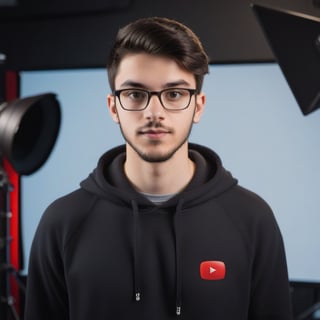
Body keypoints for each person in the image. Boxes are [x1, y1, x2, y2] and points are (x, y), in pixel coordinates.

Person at [24, 17, 293, 320]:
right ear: (114, 107)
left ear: (198, 106)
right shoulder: (62, 223)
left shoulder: (252, 219)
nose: (155, 113)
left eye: (175, 94)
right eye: (136, 94)